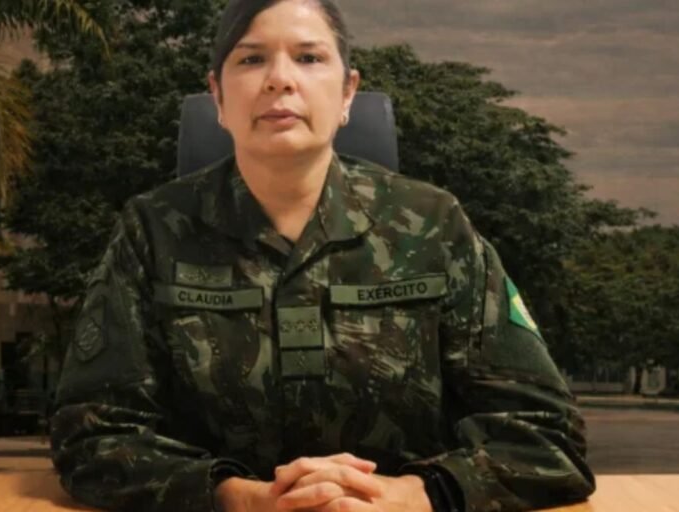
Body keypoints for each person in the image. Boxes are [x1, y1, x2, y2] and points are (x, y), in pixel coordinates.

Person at [50, 0, 596, 511]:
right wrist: (240, 498)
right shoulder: (153, 229)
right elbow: (91, 436)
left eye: (309, 58)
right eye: (251, 59)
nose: (280, 79)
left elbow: (545, 434)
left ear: (348, 93)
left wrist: (415, 495)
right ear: (217, 96)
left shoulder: (432, 225)